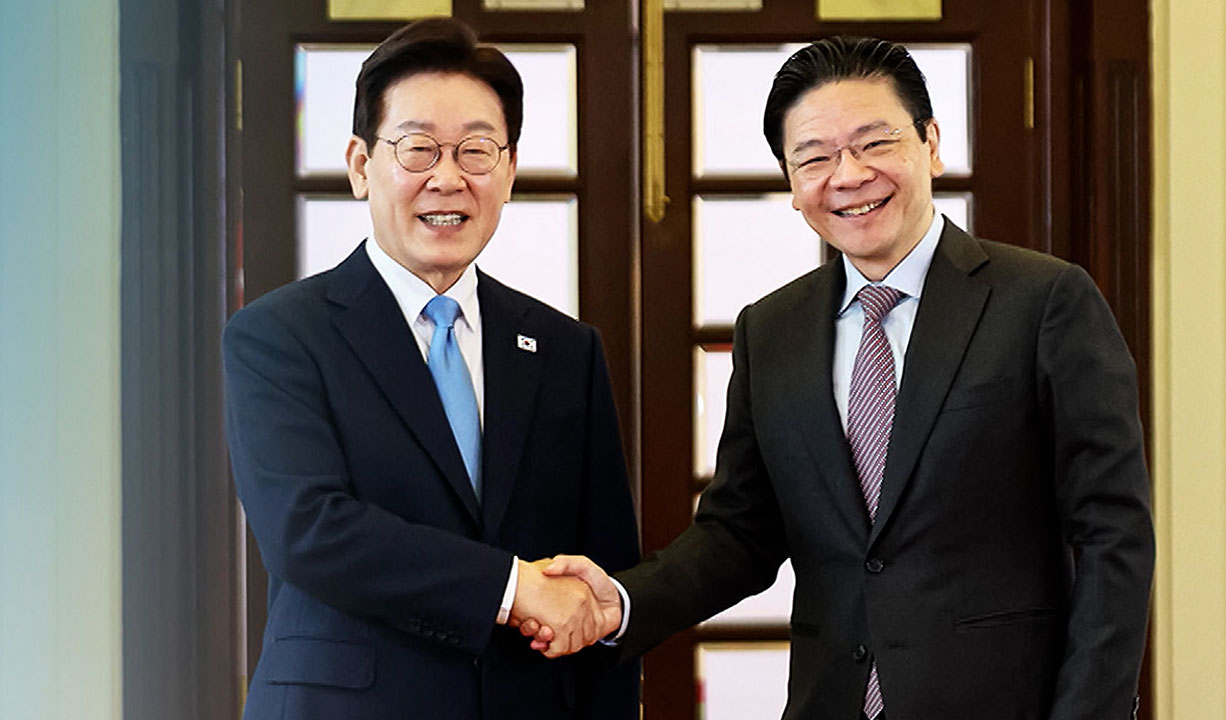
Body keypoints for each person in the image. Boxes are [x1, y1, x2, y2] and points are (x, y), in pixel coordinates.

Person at [529, 36, 1155, 719]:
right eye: (815, 157)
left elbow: (1113, 533)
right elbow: (739, 533)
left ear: (931, 144)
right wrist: (622, 602)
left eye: (874, 143)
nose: (849, 175)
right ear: (792, 182)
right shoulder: (771, 330)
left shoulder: (1043, 301)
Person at [222, 17, 640, 720]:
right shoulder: (279, 335)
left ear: (508, 170)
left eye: (476, 150)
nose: (448, 178)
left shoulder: (565, 349)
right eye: (418, 149)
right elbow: (309, 530)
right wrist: (512, 587)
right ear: (361, 165)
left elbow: (600, 577)